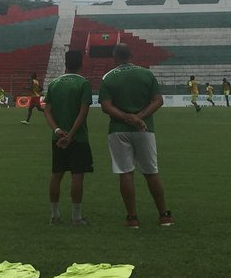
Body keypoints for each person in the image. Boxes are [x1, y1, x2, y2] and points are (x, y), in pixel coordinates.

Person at [98, 42, 172, 228]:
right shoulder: (146, 73)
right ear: (131, 55)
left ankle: (132, 218)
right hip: (144, 129)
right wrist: (139, 118)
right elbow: (158, 100)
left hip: (118, 130)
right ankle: (164, 215)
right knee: (151, 172)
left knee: (125, 172)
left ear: (115, 58)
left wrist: (126, 117)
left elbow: (106, 106)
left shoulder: (108, 78)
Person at [44, 50, 93, 225]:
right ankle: (76, 216)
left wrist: (57, 130)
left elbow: (47, 111)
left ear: (65, 63)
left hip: (57, 138)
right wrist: (71, 135)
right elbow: (83, 112)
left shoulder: (54, 84)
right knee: (77, 175)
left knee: (56, 175)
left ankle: (55, 215)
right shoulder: (83, 84)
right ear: (81, 63)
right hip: (78, 138)